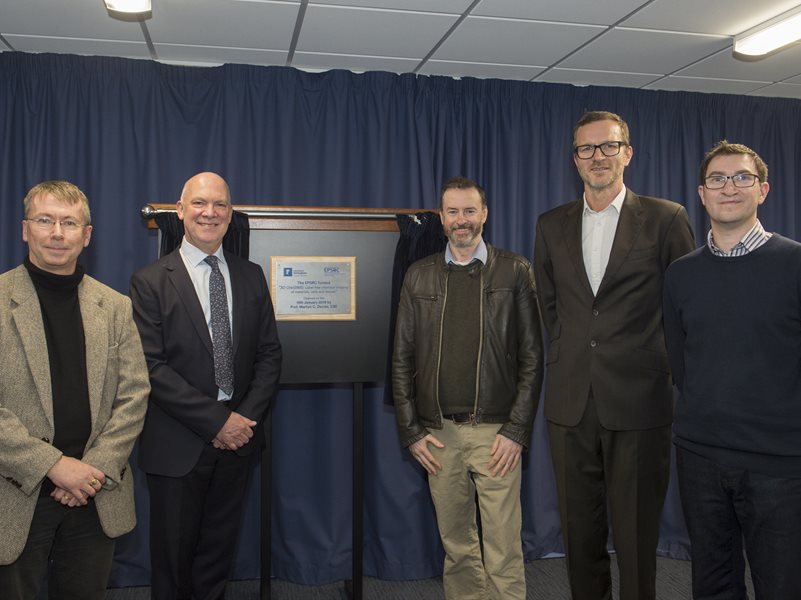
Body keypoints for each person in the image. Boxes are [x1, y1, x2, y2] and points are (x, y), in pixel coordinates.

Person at [533, 111, 695, 600]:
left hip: (640, 401)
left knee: (636, 535)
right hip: (570, 401)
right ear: (575, 160)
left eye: (608, 146)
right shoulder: (550, 224)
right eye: (586, 149)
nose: (597, 156)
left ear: (628, 153)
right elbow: (550, 305)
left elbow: (684, 306)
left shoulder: (667, 218)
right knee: (580, 533)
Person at [130, 172, 282, 600]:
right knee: (173, 565)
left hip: (238, 444)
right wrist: (218, 422)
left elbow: (270, 355)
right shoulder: (150, 281)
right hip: (178, 446)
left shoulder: (250, 276)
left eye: (220, 205)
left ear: (231, 215)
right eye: (199, 203)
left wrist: (243, 421)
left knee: (218, 558)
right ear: (180, 212)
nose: (209, 213)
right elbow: (151, 367)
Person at [392, 176, 543, 600]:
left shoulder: (515, 271)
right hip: (438, 435)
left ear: (485, 214)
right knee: (457, 546)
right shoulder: (417, 276)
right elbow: (400, 360)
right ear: (441, 218)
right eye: (453, 212)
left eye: (470, 211)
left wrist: (516, 430)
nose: (462, 220)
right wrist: (411, 432)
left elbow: (533, 358)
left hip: (496, 434)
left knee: (502, 548)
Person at [663, 140, 801, 599]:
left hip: (778, 464)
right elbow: (680, 359)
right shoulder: (681, 273)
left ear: (763, 189)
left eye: (742, 177)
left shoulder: (795, 263)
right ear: (702, 194)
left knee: (780, 585)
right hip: (700, 457)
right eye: (718, 179)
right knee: (712, 582)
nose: (729, 187)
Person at [0, 180, 150, 599]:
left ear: (86, 236)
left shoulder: (115, 306)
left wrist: (94, 468)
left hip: (92, 493)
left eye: (69, 223)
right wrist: (53, 464)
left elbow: (134, 394)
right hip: (14, 493)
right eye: (45, 220)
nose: (57, 233)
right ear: (25, 229)